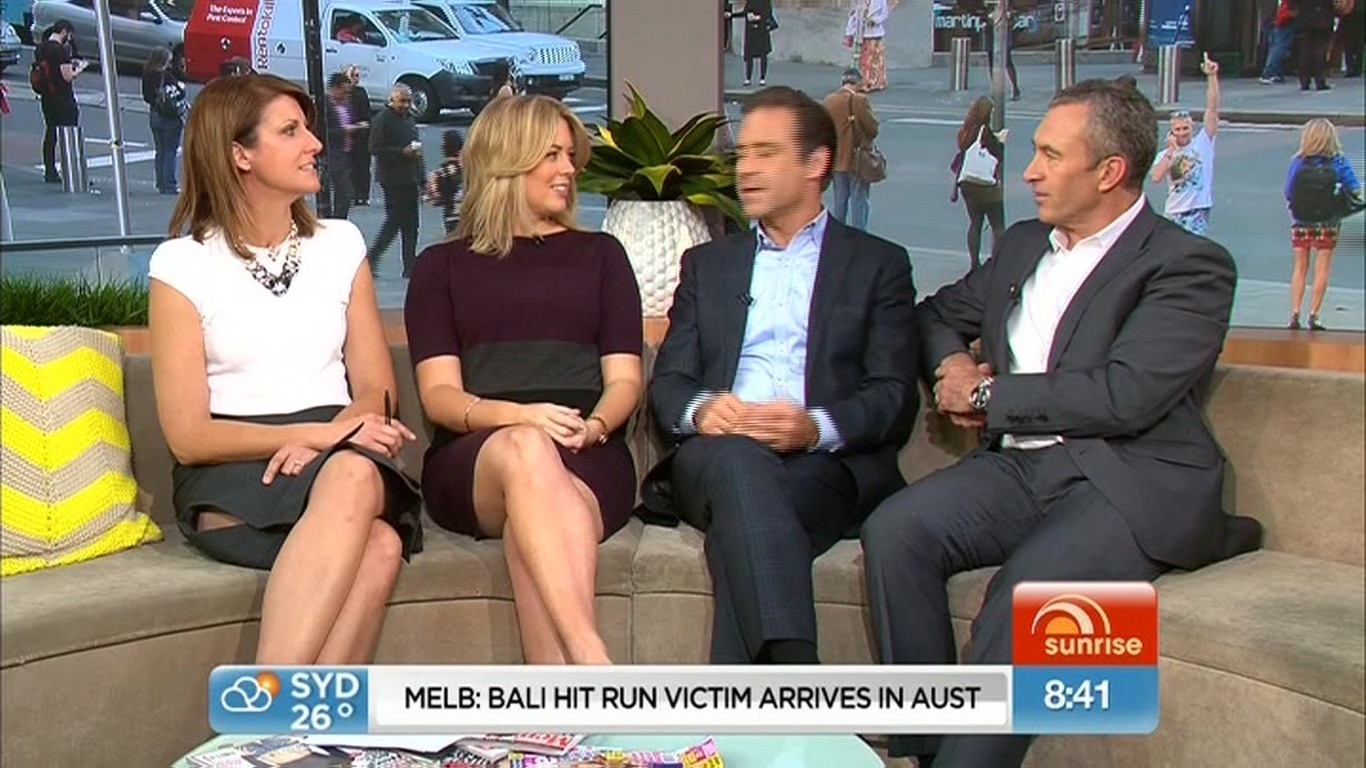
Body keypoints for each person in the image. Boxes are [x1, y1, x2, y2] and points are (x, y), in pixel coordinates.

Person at [861, 78, 1261, 768]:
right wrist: (953, 363)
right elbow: (934, 316)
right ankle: (924, 746)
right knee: (896, 530)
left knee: (1027, 600)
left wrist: (989, 397)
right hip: (1019, 470)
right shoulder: (1023, 246)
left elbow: (1126, 394)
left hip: (1125, 478)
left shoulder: (1187, 265)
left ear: (1109, 172)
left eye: (1050, 155)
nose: (1029, 171)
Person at [147, 74, 423, 665]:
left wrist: (331, 439)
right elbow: (189, 437)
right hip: (235, 465)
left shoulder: (341, 243)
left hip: (343, 449)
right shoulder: (181, 264)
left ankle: (272, 710)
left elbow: (376, 390)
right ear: (240, 154)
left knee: (355, 481)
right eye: (291, 131)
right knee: (377, 542)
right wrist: (315, 438)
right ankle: (282, 708)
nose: (316, 144)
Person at [640, 86, 918, 665]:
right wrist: (702, 411)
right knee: (741, 463)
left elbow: (892, 395)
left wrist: (813, 428)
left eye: (765, 153)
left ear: (816, 163)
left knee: (748, 526)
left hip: (821, 465)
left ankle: (760, 700)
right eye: (742, 154)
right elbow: (670, 383)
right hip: (714, 456)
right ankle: (796, 670)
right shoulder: (709, 265)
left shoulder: (877, 265)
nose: (745, 169)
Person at [404, 95, 643, 665]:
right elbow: (440, 397)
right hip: (477, 457)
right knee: (526, 448)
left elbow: (625, 381)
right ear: (508, 160)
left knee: (533, 531)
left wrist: (596, 426)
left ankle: (560, 704)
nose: (569, 169)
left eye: (570, 156)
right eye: (552, 155)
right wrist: (521, 418)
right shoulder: (441, 267)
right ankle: (591, 656)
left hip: (588, 450)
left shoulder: (603, 256)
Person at [1284, 118, 1362, 330]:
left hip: (1301, 220)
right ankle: (1314, 315)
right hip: (1328, 221)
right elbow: (1355, 189)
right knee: (1322, 267)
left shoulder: (1299, 162)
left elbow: (1288, 192)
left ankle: (1295, 313)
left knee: (1300, 267)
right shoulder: (1338, 162)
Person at [1149, 52, 1220, 236]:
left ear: (1192, 127)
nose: (1181, 133)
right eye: (1178, 129)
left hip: (1198, 211)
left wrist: (1212, 77)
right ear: (1172, 131)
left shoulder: (1203, 143)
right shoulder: (1166, 154)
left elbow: (1212, 109)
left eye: (1185, 128)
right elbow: (1156, 177)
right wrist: (1171, 151)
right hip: (1174, 212)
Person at [367, 84, 423, 278]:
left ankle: (409, 265)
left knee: (411, 224)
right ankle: (373, 257)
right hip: (392, 178)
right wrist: (401, 152)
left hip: (410, 177)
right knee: (396, 220)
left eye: (408, 101)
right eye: (402, 101)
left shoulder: (409, 118)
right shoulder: (383, 119)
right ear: (392, 100)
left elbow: (417, 151)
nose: (406, 105)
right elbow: (374, 148)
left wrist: (422, 178)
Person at [952, 95, 1007, 269]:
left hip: (967, 184)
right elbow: (997, 154)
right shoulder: (985, 132)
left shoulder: (966, 130)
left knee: (975, 223)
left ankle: (974, 262)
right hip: (986, 186)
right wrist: (1001, 142)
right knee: (998, 224)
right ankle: (998, 261)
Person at [823, 67, 879, 230]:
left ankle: (838, 234)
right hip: (856, 159)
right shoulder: (859, 100)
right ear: (858, 82)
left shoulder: (829, 100)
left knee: (840, 200)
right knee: (859, 199)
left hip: (837, 158)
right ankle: (858, 234)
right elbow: (872, 128)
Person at [36, 20, 88, 184]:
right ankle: (73, 172)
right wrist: (79, 68)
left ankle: (50, 171)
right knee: (70, 133)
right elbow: (67, 76)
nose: (70, 38)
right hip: (63, 97)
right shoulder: (59, 50)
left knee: (51, 133)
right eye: (69, 35)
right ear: (64, 31)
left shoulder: (41, 48)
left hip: (47, 96)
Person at [142, 46, 188, 195]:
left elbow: (146, 97)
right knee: (170, 151)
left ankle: (161, 182)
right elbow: (180, 94)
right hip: (170, 117)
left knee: (160, 151)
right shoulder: (167, 77)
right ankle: (169, 184)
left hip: (154, 114)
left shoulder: (147, 74)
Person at [323, 71, 362, 220]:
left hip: (347, 152)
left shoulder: (346, 105)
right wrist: (345, 130)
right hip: (332, 154)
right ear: (335, 88)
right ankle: (335, 220)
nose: (346, 95)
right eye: (344, 92)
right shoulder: (324, 105)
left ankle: (339, 219)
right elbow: (322, 131)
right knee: (343, 191)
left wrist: (357, 127)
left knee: (345, 193)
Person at [424, 128, 464, 235]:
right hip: (473, 216)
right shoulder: (473, 168)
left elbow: (433, 200)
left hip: (452, 217)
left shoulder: (439, 174)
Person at [844, 0, 890, 92]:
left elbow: (885, 14)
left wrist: (876, 21)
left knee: (877, 59)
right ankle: (864, 82)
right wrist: (849, 32)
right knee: (865, 60)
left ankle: (878, 82)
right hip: (862, 34)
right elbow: (853, 16)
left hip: (876, 33)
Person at [344, 65, 373, 206]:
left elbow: (367, 112)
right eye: (353, 75)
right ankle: (352, 194)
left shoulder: (361, 92)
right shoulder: (344, 95)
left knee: (363, 166)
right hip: (348, 135)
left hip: (362, 135)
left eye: (357, 75)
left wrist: (364, 126)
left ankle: (363, 195)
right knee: (350, 166)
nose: (356, 78)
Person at [728, 0, 774, 86]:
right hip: (751, 31)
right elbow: (745, 12)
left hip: (762, 30)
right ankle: (748, 78)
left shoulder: (766, 1)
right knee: (749, 54)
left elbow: (768, 13)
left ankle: (762, 78)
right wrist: (732, 15)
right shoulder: (750, 1)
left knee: (763, 54)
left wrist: (758, 17)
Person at [982, 2, 1021, 102]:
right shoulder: (988, 5)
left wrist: (1008, 16)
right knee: (992, 61)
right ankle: (996, 89)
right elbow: (983, 13)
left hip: (1003, 31)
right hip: (991, 31)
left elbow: (1011, 15)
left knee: (1007, 61)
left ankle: (1015, 88)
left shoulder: (1005, 4)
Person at [1294, 0, 1336, 89]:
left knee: (1304, 50)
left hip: (1304, 16)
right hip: (1323, 16)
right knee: (1320, 50)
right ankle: (1320, 80)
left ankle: (1304, 81)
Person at [1259, 0, 1296, 84]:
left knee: (1276, 46)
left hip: (1279, 18)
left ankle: (1274, 73)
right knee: (1280, 47)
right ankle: (1270, 72)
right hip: (1286, 18)